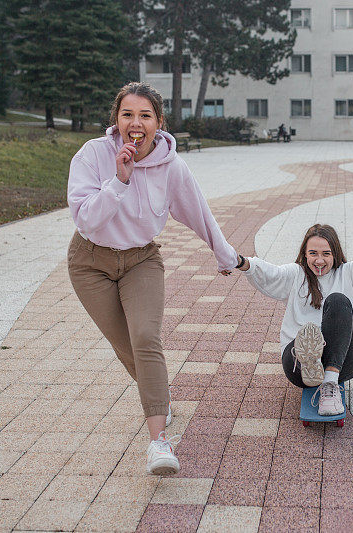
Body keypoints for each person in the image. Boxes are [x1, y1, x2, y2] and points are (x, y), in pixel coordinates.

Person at [66, 82, 239, 475]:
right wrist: (120, 180)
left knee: (145, 338)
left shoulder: (171, 167)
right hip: (88, 262)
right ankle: (160, 399)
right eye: (127, 114)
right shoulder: (93, 155)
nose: (136, 123)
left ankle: (159, 442)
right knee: (126, 345)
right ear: (116, 121)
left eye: (145, 115)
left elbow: (199, 212)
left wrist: (225, 254)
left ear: (159, 123)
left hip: (142, 260)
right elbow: (86, 219)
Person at [236, 223, 353, 414]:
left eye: (326, 254)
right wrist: (240, 262)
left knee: (338, 300)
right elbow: (269, 273)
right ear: (305, 255)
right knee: (306, 339)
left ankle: (330, 380)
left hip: (343, 363)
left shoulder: (348, 274)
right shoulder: (295, 274)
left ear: (335, 254)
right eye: (313, 253)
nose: (319, 260)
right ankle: (309, 358)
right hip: (297, 367)